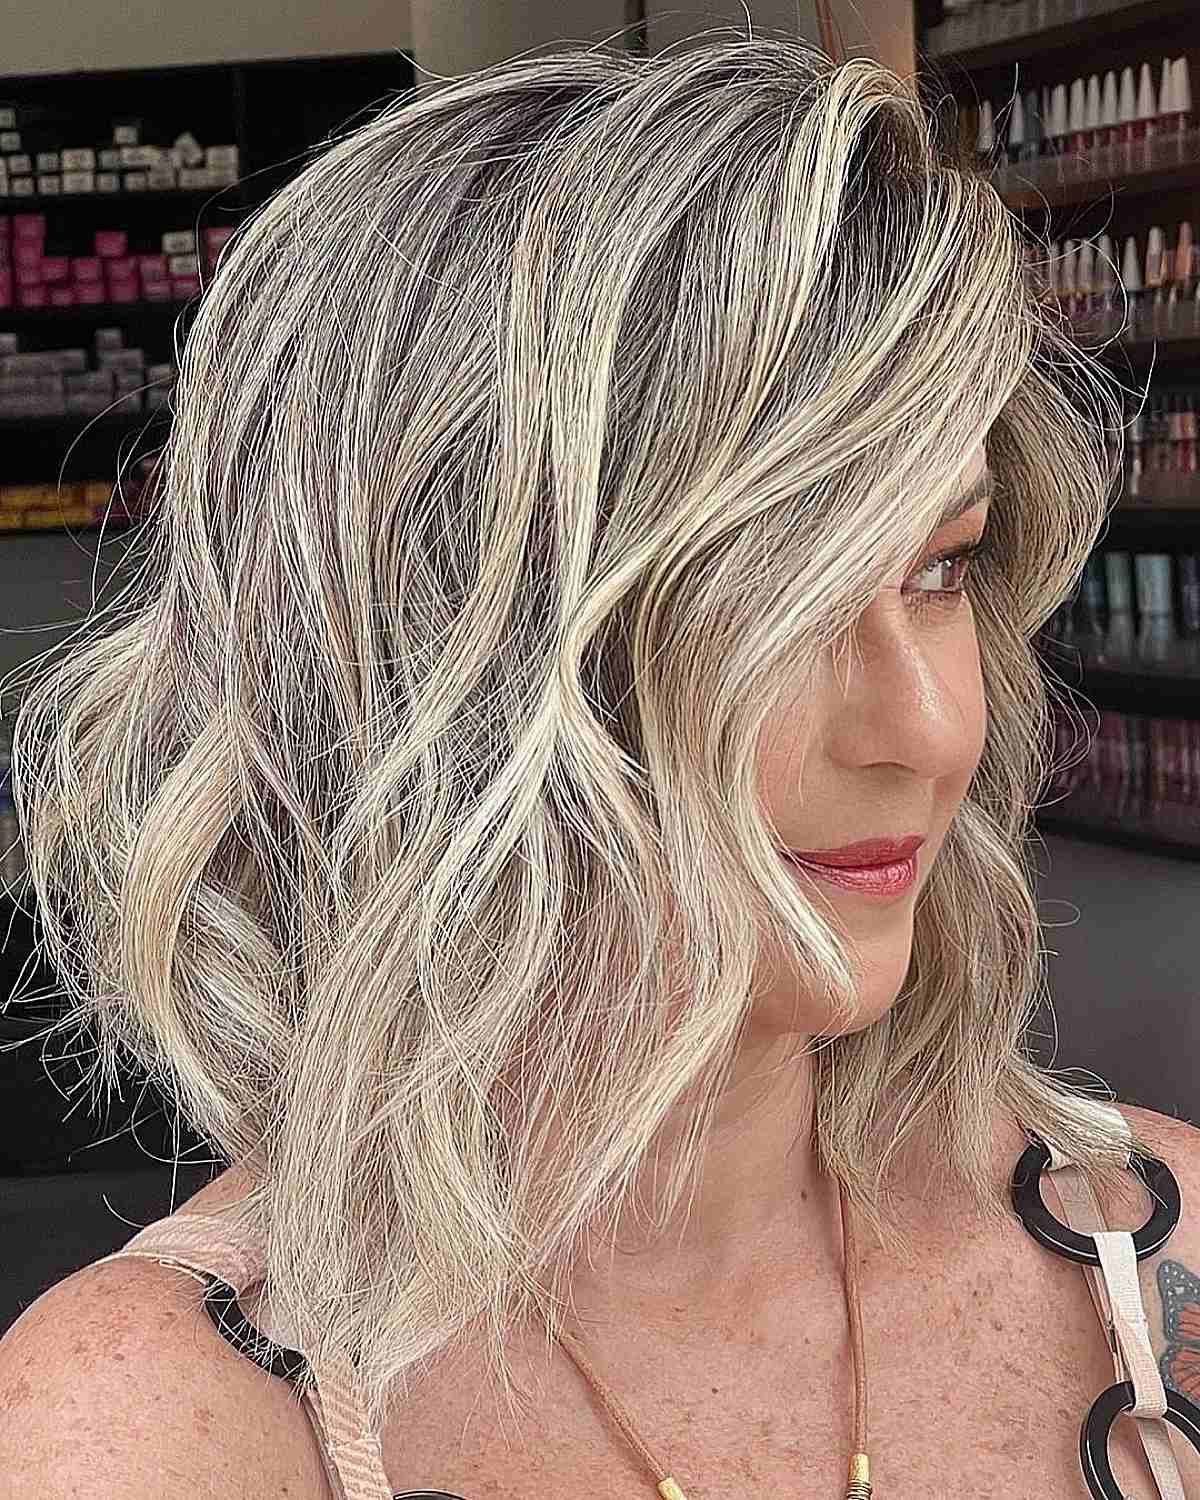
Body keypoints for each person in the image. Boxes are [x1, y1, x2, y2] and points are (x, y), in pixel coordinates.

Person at [1, 32, 1198, 1500]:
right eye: (772, 609)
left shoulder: (1157, 1279)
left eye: (940, 569)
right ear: (434, 662)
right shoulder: (160, 1428)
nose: (935, 728)